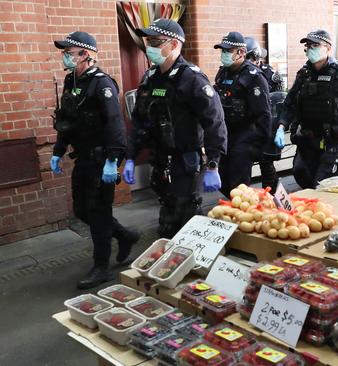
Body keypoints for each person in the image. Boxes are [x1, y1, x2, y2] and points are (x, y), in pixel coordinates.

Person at [123, 19, 227, 238]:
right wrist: (131, 157)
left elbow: (214, 122)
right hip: (160, 157)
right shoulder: (151, 78)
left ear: (174, 45)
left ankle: (194, 260)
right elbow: (140, 120)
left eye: (156, 41)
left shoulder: (192, 79)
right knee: (168, 211)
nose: (150, 46)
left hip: (186, 158)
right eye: (148, 41)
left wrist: (213, 165)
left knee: (186, 213)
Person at [51, 31, 139, 289]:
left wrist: (113, 160)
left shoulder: (102, 84)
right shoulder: (72, 81)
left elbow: (115, 125)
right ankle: (124, 235)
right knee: (82, 210)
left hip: (102, 160)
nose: (65, 56)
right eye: (64, 52)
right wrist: (58, 149)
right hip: (84, 159)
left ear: (86, 54)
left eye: (70, 52)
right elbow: (66, 120)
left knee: (99, 213)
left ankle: (102, 267)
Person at [276, 30, 338, 187]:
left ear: (328, 48)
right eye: (308, 46)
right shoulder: (304, 74)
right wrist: (281, 127)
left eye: (315, 45)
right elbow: (290, 103)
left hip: (334, 142)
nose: (310, 49)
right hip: (308, 141)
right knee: (301, 176)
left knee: (324, 185)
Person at [213, 32, 272, 195]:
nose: (224, 54)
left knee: (238, 186)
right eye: (222, 51)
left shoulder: (254, 76)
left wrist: (258, 146)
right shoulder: (223, 73)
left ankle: (242, 215)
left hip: (245, 136)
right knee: (223, 181)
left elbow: (264, 115)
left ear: (241, 53)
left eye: (227, 51)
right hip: (226, 135)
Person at [245, 37, 282, 193]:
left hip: (266, 122)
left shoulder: (269, 73)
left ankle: (272, 193)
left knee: (266, 162)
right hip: (247, 122)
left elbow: (278, 98)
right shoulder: (241, 72)